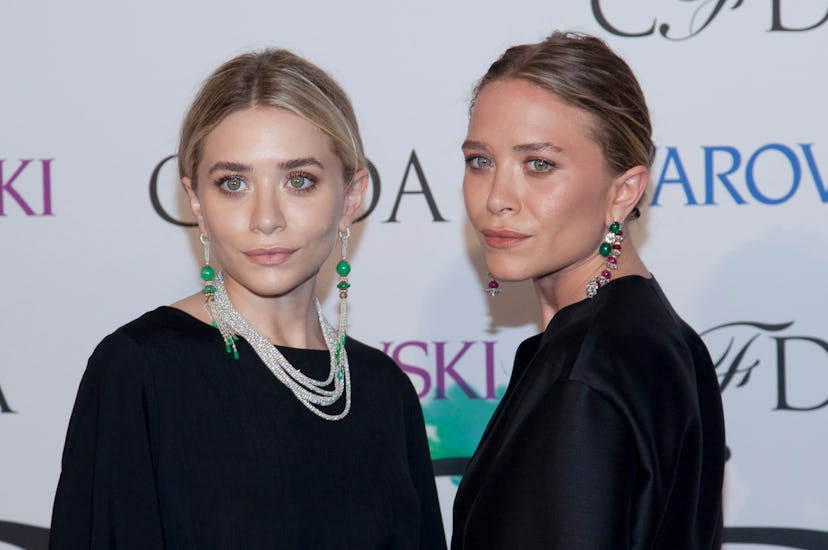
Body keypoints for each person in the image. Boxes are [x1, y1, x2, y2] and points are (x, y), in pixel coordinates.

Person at [50, 49, 445, 549]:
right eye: (233, 183)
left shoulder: (381, 389)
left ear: (351, 196)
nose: (265, 217)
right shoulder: (142, 368)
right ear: (196, 201)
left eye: (299, 181)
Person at [452, 32, 725, 549]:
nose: (497, 198)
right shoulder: (658, 335)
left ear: (623, 191)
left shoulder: (583, 374)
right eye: (480, 161)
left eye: (539, 165)